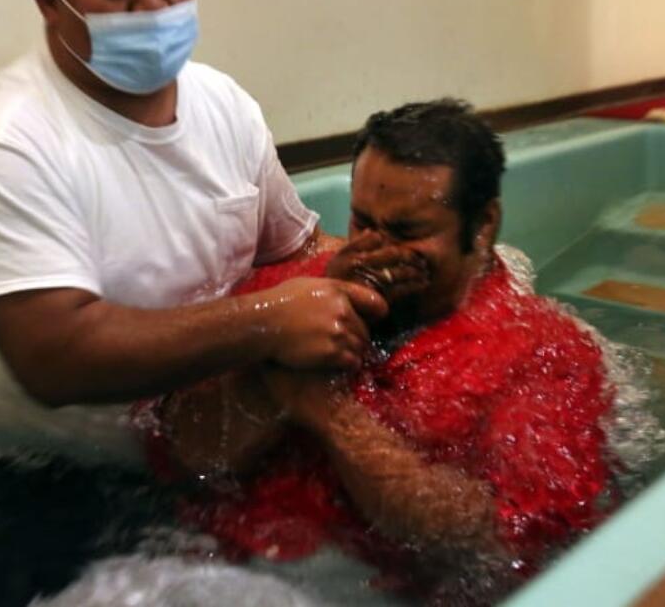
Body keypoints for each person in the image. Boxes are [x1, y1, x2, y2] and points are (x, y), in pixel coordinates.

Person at [0, 0, 384, 468]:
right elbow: (55, 360)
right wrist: (267, 322)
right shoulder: (1, 145)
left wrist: (404, 271)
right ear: (50, 2)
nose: (152, 4)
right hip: (52, 472)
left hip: (204, 441)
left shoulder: (224, 104)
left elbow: (293, 251)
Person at [145, 100, 618, 597]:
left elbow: (500, 540)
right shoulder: (294, 295)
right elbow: (179, 450)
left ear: (482, 226)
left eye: (407, 232)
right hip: (205, 563)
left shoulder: (546, 356)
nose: (376, 249)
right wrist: (270, 377)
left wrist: (328, 411)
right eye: (362, 222)